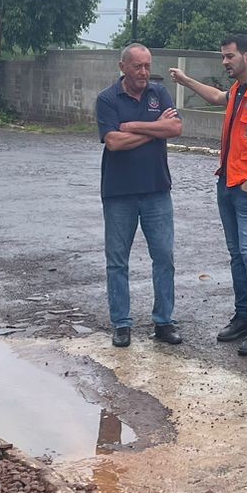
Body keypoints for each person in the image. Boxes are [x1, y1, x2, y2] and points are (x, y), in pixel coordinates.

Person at [169, 33, 247, 356]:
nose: (225, 62)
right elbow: (215, 97)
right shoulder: (238, 90)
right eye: (223, 57)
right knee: (237, 255)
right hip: (228, 184)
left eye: (229, 57)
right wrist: (185, 80)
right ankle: (243, 317)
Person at [97, 43, 184, 348]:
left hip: (157, 190)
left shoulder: (158, 94)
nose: (145, 72)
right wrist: (154, 129)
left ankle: (164, 321)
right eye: (138, 66)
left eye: (148, 66)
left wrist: (133, 126)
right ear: (123, 67)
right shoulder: (107, 99)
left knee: (164, 258)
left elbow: (174, 128)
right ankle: (121, 324)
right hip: (119, 193)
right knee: (117, 261)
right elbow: (114, 143)